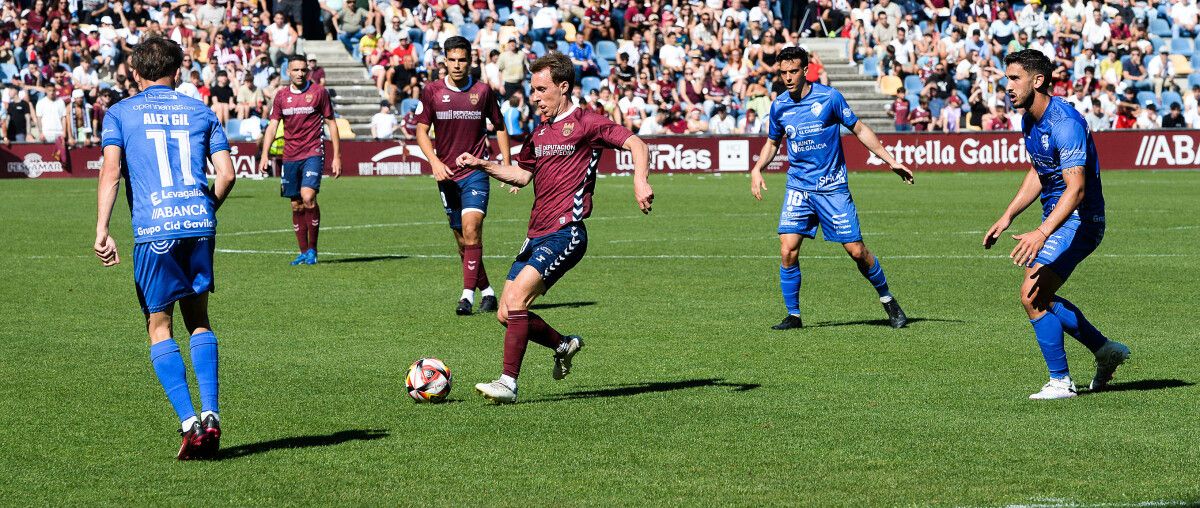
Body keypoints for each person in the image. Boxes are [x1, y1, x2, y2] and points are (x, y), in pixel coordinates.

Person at [455, 52, 653, 403]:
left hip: (568, 231)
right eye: (532, 90)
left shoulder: (588, 123)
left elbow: (635, 143)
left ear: (563, 87)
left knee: (516, 301)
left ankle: (508, 383)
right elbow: (521, 174)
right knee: (505, 312)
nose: (534, 97)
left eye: (541, 89)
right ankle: (564, 344)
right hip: (535, 233)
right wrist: (482, 163)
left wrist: (639, 180)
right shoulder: (540, 131)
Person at [93, 37, 237, 459]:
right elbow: (227, 174)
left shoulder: (120, 112)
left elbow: (112, 170)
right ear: (179, 70)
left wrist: (102, 229)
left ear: (135, 73)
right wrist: (205, 207)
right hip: (198, 224)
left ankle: (190, 422)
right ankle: (211, 413)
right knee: (200, 319)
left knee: (160, 326)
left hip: (155, 229)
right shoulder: (201, 110)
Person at [983, 50, 1129, 400]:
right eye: (1006, 78)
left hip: (1081, 220)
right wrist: (1008, 215)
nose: (1008, 86)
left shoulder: (1065, 123)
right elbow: (1039, 170)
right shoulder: (1029, 120)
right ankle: (1105, 350)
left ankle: (1061, 382)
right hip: (1060, 218)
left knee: (1031, 294)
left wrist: (1042, 231)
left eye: (1014, 78)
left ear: (1038, 80)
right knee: (1040, 294)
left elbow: (1076, 189)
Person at [747, 46, 913, 331]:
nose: (787, 78)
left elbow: (859, 129)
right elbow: (773, 143)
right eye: (783, 72)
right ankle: (794, 315)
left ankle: (888, 300)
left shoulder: (829, 98)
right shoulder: (779, 105)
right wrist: (757, 168)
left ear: (805, 70)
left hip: (832, 188)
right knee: (787, 250)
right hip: (799, 186)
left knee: (857, 251)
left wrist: (891, 161)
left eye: (793, 71)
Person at [413, 36, 511, 315]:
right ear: (444, 60)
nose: (457, 65)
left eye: (462, 60)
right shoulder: (431, 91)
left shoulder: (483, 92)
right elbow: (421, 130)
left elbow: (500, 126)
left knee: (471, 229)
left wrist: (505, 165)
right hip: (446, 176)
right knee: (462, 241)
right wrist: (433, 161)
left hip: (475, 172)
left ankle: (467, 296)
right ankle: (488, 291)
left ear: (471, 61)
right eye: (452, 60)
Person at [258, 57, 343, 265]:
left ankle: (313, 249)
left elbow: (332, 123)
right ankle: (303, 251)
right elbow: (272, 126)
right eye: (296, 70)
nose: (300, 73)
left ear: (308, 72)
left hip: (312, 152)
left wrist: (337, 155)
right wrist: (264, 154)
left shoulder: (318, 93)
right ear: (288, 71)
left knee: (308, 197)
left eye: (303, 70)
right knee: (296, 205)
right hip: (290, 156)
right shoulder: (281, 96)